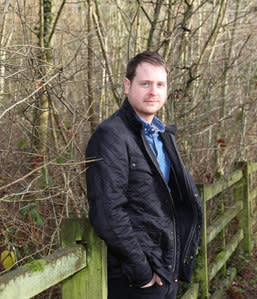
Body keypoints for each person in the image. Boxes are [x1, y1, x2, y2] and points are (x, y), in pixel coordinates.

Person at [85, 51, 203, 299]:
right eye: (145, 83)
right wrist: (142, 272)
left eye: (160, 84)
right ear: (127, 85)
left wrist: (173, 264)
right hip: (136, 280)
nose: (153, 91)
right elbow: (108, 212)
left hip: (165, 271)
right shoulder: (111, 136)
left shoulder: (163, 137)